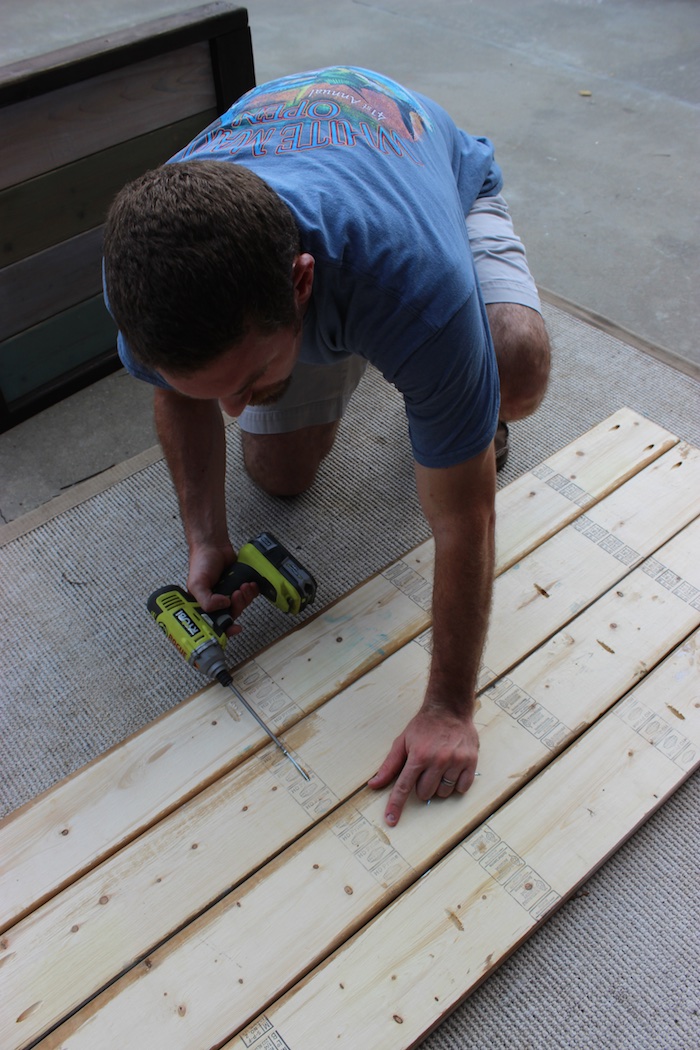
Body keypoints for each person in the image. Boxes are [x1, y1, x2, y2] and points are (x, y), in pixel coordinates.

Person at [103, 66, 550, 826]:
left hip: (429, 167)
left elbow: (462, 518)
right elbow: (177, 391)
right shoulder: (146, 279)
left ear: (302, 282)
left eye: (246, 377)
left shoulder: (416, 282)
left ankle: (440, 378)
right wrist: (205, 540)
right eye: (218, 389)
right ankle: (364, 358)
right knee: (276, 472)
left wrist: (448, 708)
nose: (233, 405)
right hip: (316, 213)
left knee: (513, 366)